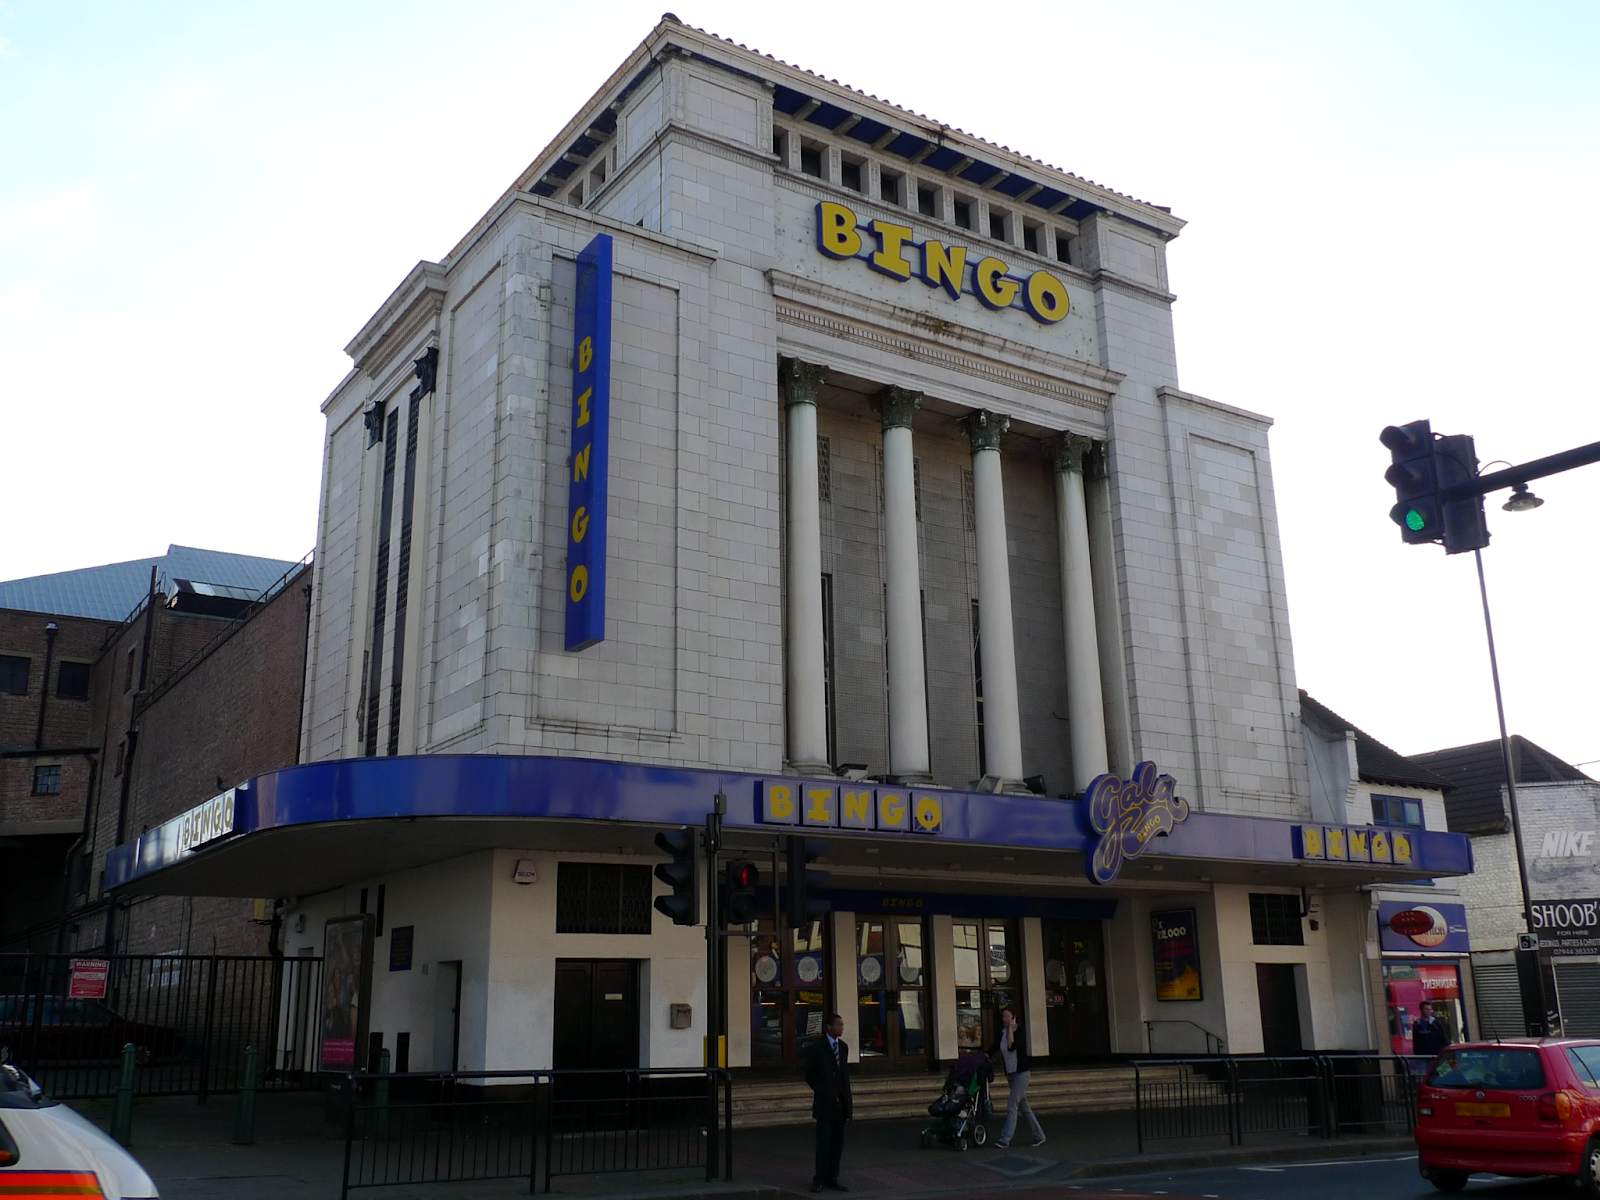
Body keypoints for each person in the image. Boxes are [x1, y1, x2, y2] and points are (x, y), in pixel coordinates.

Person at [804, 1013, 852, 1192]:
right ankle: (820, 1177)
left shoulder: (843, 1047)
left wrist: (846, 1099)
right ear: (829, 1027)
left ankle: (833, 1176)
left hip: (841, 1103)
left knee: (837, 1143)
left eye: (842, 1025)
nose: (842, 1028)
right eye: (838, 1025)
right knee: (824, 1142)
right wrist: (823, 1090)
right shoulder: (818, 1047)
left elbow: (843, 1075)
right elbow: (810, 1075)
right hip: (825, 1104)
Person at [990, 1006, 1045, 1149]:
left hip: (1022, 1074)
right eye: (1003, 1016)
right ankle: (1039, 1135)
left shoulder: (1020, 1031)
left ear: (1014, 1018)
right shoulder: (1001, 1032)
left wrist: (1010, 1030)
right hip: (1010, 1074)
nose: (1004, 1019)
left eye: (1007, 1017)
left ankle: (1005, 1138)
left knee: (1012, 1105)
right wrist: (984, 1056)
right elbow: (995, 1046)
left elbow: (1011, 1046)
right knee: (1024, 1107)